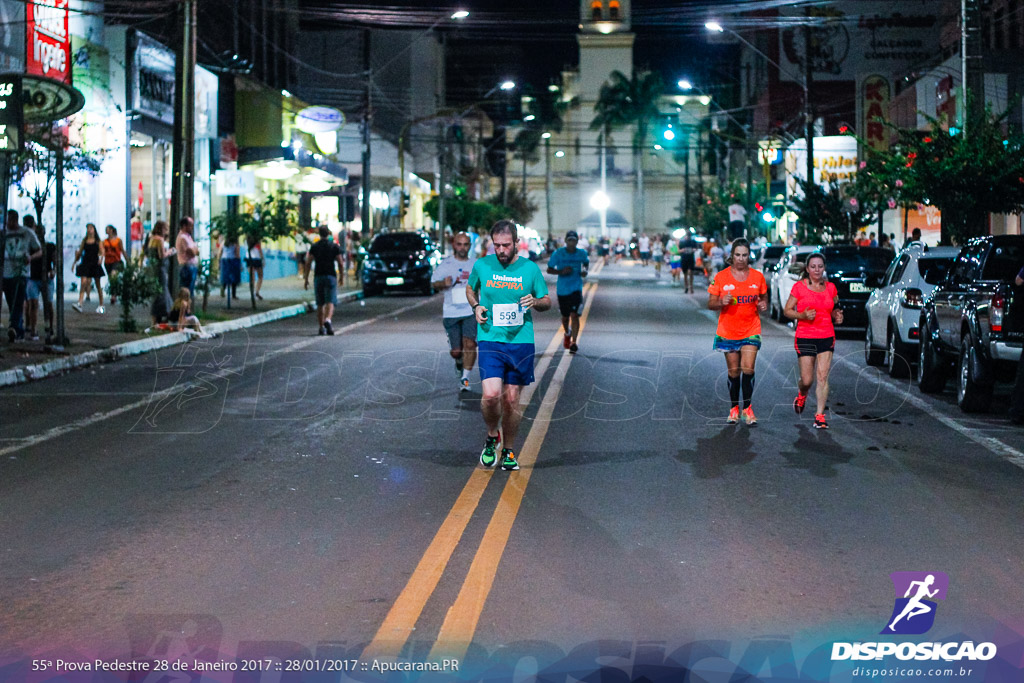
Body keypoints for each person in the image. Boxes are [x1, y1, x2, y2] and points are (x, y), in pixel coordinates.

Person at [466, 219, 551, 471]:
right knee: (491, 396)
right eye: (497, 246)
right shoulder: (482, 265)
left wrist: (535, 301)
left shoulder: (530, 269)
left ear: (516, 243)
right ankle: (493, 435)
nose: (501, 250)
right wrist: (476, 306)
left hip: (520, 342)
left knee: (512, 400)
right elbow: (471, 289)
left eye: (506, 245)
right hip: (490, 338)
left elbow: (547, 301)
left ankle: (510, 450)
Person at [707, 238, 768, 425]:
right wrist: (720, 302)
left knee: (748, 368)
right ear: (731, 256)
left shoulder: (757, 277)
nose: (741, 259)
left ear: (749, 256)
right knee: (734, 372)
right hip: (728, 331)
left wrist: (763, 304)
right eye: (737, 255)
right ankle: (734, 408)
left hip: (751, 328)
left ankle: (747, 409)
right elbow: (710, 303)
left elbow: (763, 298)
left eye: (744, 255)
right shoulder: (721, 277)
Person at [783, 251, 844, 429]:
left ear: (824, 268)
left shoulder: (831, 287)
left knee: (823, 376)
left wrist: (837, 315)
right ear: (808, 269)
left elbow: (835, 308)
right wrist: (801, 315)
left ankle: (819, 415)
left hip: (826, 335)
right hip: (805, 336)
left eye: (820, 266)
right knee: (807, 380)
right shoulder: (799, 287)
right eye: (813, 267)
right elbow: (787, 310)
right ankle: (802, 394)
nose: (817, 270)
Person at [432, 231, 478, 391]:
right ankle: (459, 363)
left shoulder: (475, 265)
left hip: (470, 311)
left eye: (466, 244)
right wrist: (442, 283)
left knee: (470, 344)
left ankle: (465, 379)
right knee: (456, 351)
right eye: (459, 244)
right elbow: (433, 283)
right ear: (454, 245)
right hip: (451, 312)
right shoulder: (446, 264)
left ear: (469, 246)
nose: (462, 247)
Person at [547, 229, 589, 355]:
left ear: (577, 241)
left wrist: (584, 271)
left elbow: (586, 264)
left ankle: (574, 342)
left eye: (574, 240)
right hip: (563, 289)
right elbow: (549, 269)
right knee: (565, 317)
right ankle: (567, 332)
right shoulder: (559, 253)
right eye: (569, 240)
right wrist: (561, 272)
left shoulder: (581, 253)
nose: (572, 243)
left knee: (575, 315)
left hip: (576, 288)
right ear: (566, 241)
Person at [2, 210, 42, 341]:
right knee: (10, 300)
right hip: (6, 273)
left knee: (18, 301)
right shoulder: (3, 233)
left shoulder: (27, 233)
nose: (10, 223)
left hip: (21, 272)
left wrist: (30, 257)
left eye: (12, 220)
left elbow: (39, 250)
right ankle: (18, 328)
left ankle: (13, 326)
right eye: (8, 220)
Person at [304, 226, 345, 335]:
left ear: (319, 234)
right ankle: (328, 320)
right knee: (330, 301)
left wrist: (306, 278)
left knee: (320, 303)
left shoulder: (315, 246)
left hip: (318, 276)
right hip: (331, 276)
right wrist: (341, 277)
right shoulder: (334, 246)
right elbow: (340, 263)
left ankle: (321, 327)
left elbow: (308, 262)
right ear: (328, 234)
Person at [25, 221, 55, 341]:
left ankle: (50, 327)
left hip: (46, 278)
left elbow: (55, 260)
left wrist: (53, 271)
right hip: (33, 278)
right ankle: (33, 329)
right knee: (33, 303)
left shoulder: (50, 246)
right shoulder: (31, 247)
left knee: (48, 304)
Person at [72, 222, 106, 314]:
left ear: (94, 229)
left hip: (94, 263)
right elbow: (79, 252)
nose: (89, 230)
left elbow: (102, 251)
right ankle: (80, 303)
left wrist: (101, 259)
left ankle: (101, 304)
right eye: (88, 228)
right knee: (83, 282)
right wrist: (74, 262)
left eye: (91, 228)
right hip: (86, 263)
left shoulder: (98, 241)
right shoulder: (84, 241)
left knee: (98, 284)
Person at [146, 220, 176, 323]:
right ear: (162, 229)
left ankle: (157, 317)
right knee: (162, 291)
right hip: (160, 269)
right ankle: (165, 314)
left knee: (157, 292)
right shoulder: (160, 240)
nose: (166, 231)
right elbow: (162, 255)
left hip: (153, 268)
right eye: (165, 229)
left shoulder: (151, 239)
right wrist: (170, 251)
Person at [175, 216, 199, 298]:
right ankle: (184, 309)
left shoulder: (188, 237)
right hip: (187, 267)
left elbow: (197, 251)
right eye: (190, 225)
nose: (192, 228)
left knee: (190, 291)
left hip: (191, 266)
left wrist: (195, 250)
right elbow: (191, 252)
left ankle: (187, 309)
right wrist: (194, 250)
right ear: (184, 226)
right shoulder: (183, 238)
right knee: (187, 291)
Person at [102, 225, 126, 304]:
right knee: (111, 279)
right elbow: (102, 252)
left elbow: (122, 250)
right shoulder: (104, 241)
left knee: (113, 276)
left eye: (108, 229)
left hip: (116, 261)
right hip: (107, 262)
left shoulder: (118, 240)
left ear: (112, 230)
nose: (106, 231)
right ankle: (114, 292)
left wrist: (127, 260)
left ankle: (114, 295)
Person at [219, 235, 242, 303]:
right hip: (233, 260)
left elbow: (220, 252)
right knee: (233, 278)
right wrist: (240, 264)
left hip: (224, 260)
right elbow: (237, 254)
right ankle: (233, 294)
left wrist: (219, 262)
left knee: (225, 276)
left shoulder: (223, 243)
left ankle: (223, 288)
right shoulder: (235, 244)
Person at [246, 235, 264, 300]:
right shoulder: (257, 242)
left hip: (249, 259)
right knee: (260, 276)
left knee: (252, 278)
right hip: (257, 259)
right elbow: (260, 251)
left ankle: (252, 292)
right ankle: (257, 291)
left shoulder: (247, 240)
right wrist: (263, 259)